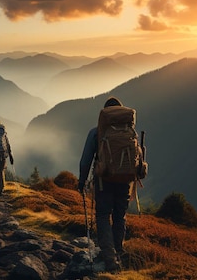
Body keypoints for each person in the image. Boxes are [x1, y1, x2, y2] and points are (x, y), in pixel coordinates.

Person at [78, 97, 136, 273]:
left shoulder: (96, 132)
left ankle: (109, 258)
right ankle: (118, 251)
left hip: (104, 182)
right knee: (120, 216)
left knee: (103, 215)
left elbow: (85, 161)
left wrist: (82, 182)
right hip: (125, 181)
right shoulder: (130, 131)